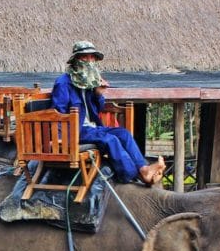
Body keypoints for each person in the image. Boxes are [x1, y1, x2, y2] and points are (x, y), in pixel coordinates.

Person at [52, 41, 165, 185]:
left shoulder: (87, 82)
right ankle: (133, 174)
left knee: (123, 133)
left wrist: (98, 94)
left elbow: (96, 109)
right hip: (73, 130)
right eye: (85, 57)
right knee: (111, 140)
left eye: (92, 58)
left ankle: (143, 168)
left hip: (90, 127)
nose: (89, 61)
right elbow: (57, 112)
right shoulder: (63, 83)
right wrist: (61, 137)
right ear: (75, 60)